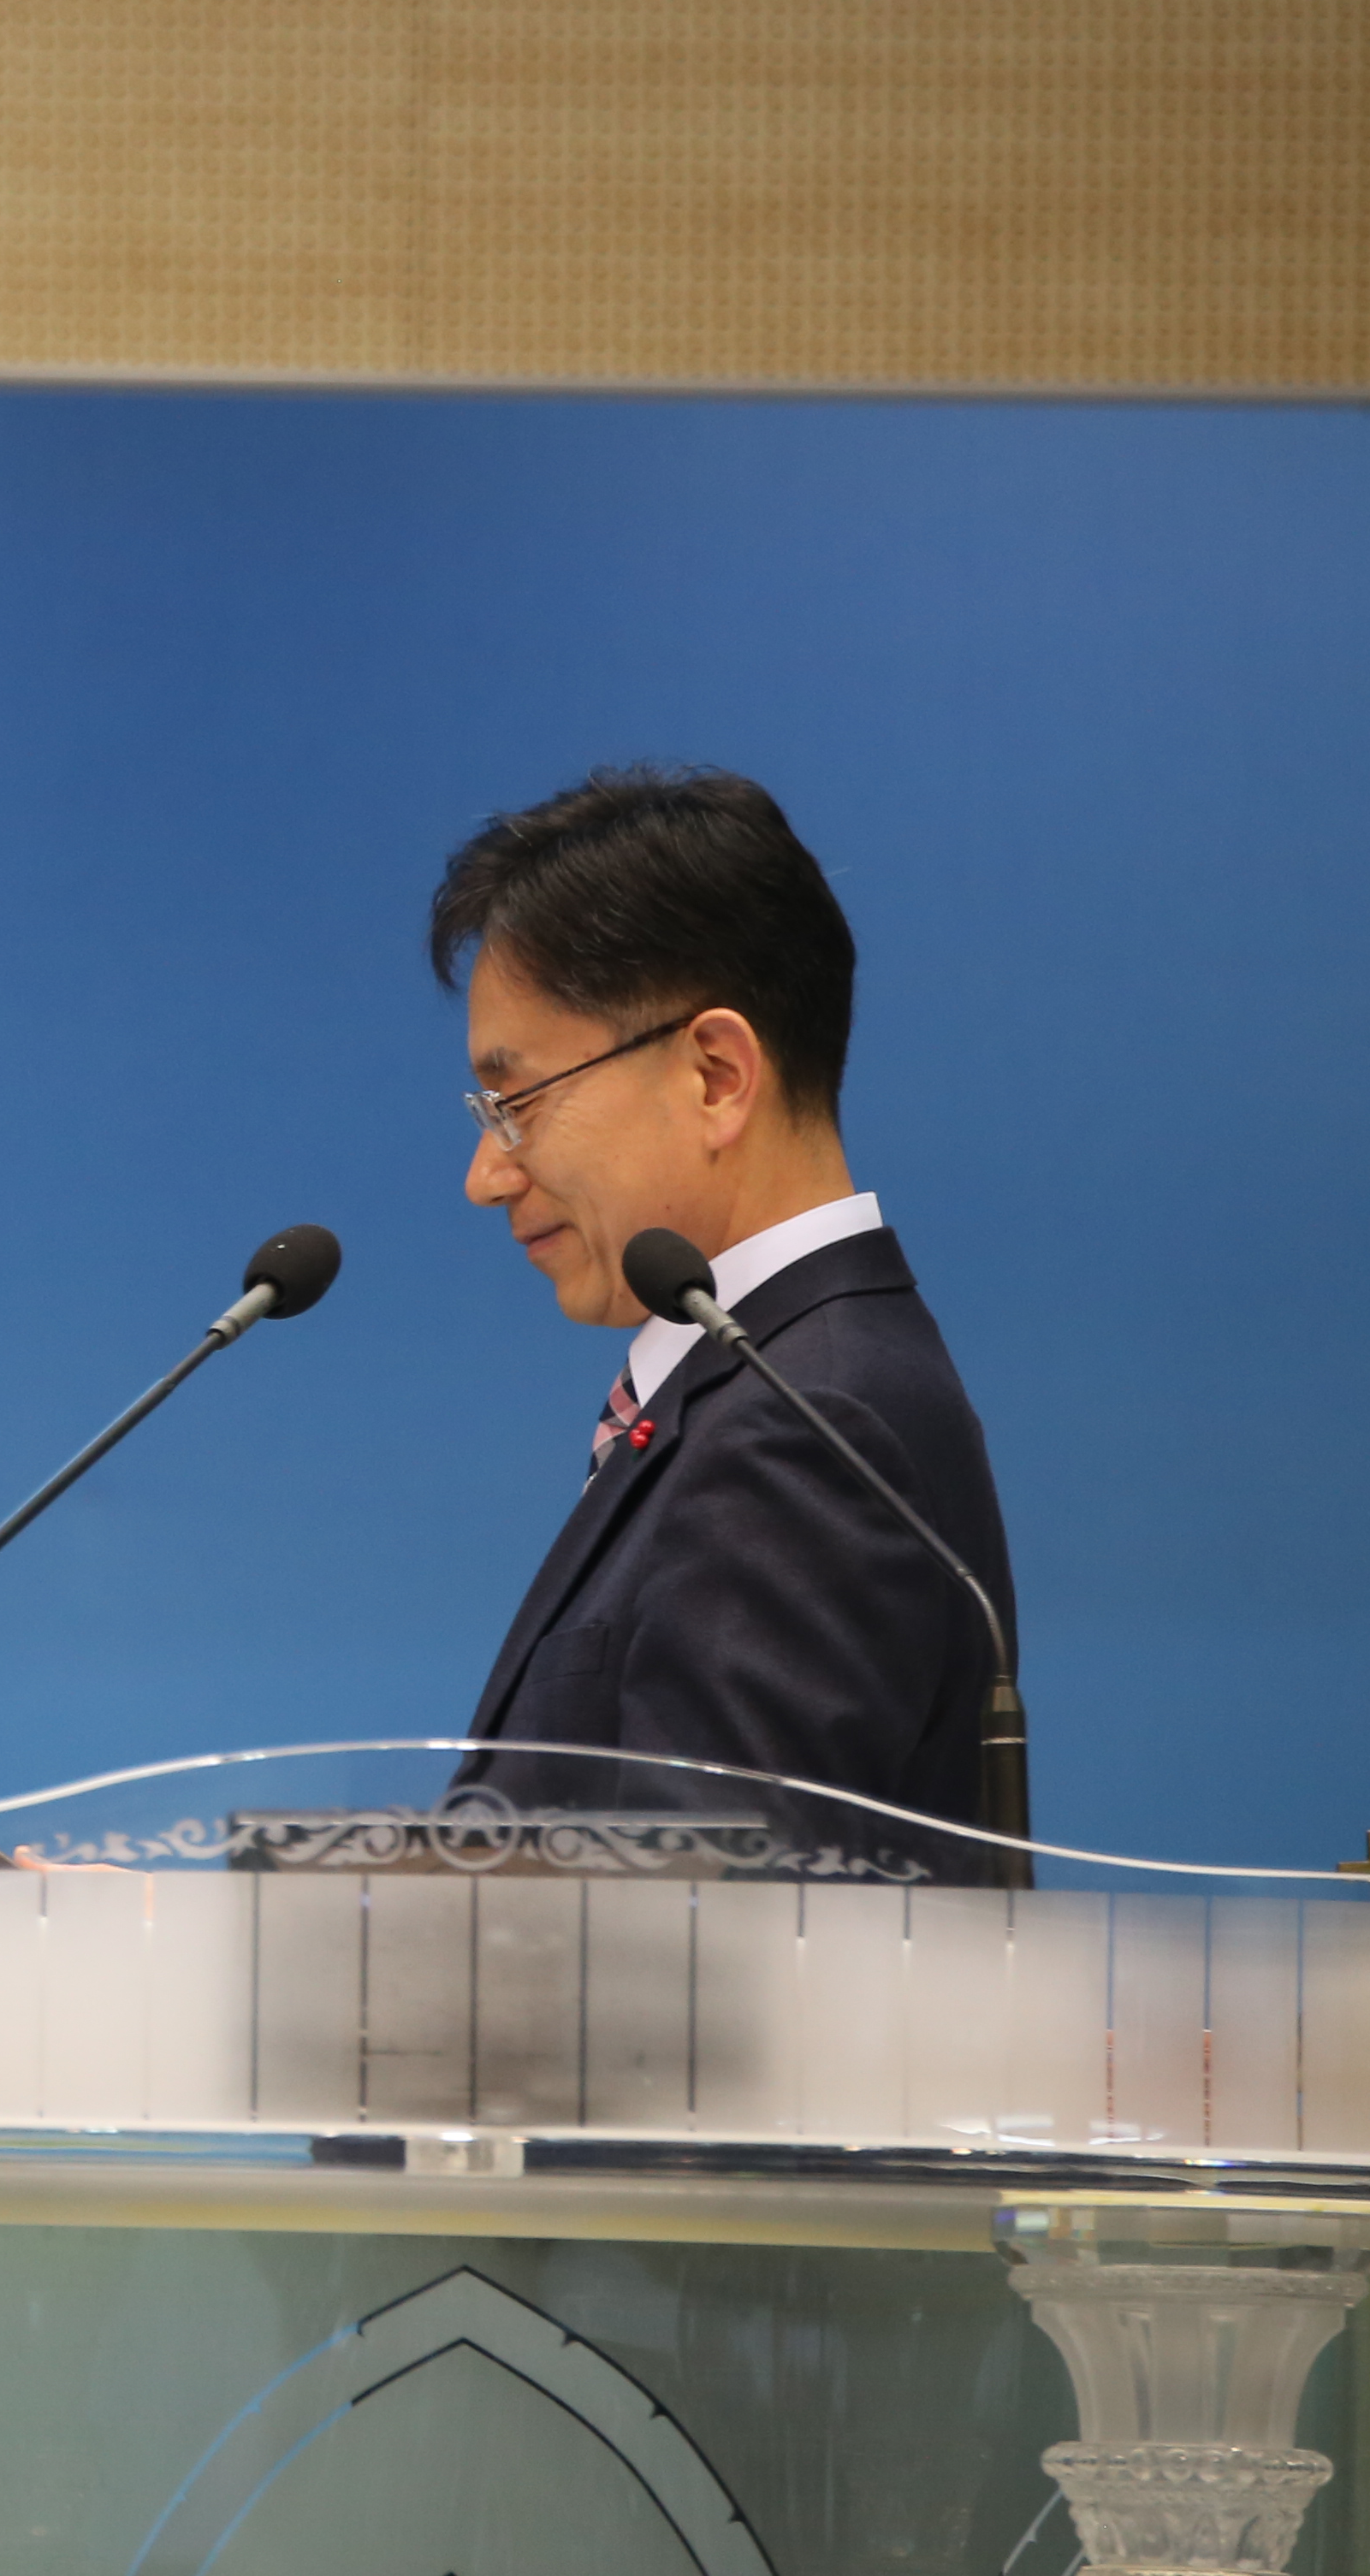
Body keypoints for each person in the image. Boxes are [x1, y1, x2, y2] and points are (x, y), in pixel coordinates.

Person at [434, 770, 1020, 1873]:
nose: (486, 1175)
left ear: (715, 1076)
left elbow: (705, 1923)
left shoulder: (807, 1425)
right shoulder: (779, 1386)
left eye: (517, 1102)